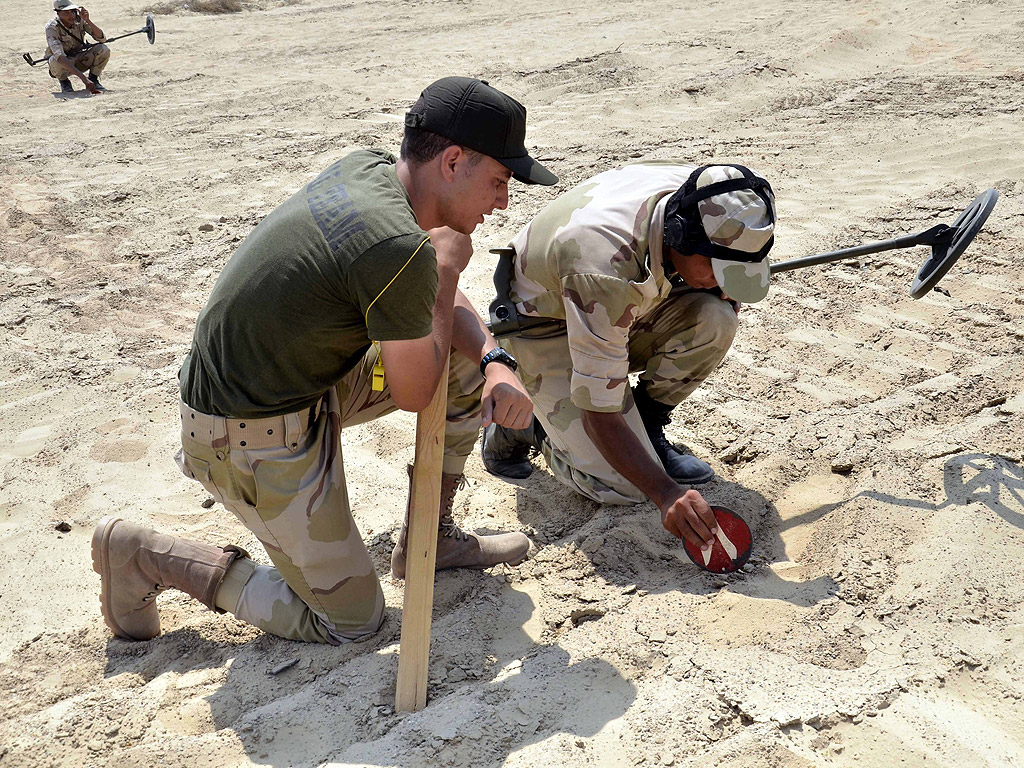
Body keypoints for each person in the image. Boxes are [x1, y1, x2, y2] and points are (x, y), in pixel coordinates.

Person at [91, 77, 558, 645]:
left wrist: (494, 359)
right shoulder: (397, 249)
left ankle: (427, 538)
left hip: (298, 387)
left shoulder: (374, 173)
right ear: (454, 161)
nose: (504, 200)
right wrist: (446, 275)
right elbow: (416, 384)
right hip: (244, 435)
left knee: (464, 359)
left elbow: (417, 286)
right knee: (353, 622)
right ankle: (147, 556)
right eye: (500, 180)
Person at [480, 162, 775, 554]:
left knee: (714, 316)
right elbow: (598, 415)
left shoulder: (714, 198)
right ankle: (530, 425)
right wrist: (666, 494)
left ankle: (648, 427)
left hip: (623, 301)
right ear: (679, 236)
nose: (723, 282)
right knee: (625, 486)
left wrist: (727, 282)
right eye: (718, 269)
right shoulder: (604, 267)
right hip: (543, 324)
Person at [45, 0, 107, 94]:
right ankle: (64, 82)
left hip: (80, 58)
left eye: (72, 11)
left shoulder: (80, 20)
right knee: (54, 59)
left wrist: (88, 20)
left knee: (103, 49)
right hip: (64, 64)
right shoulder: (52, 27)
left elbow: (102, 39)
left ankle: (94, 79)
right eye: (66, 12)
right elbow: (60, 56)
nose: (71, 15)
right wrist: (84, 79)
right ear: (58, 13)